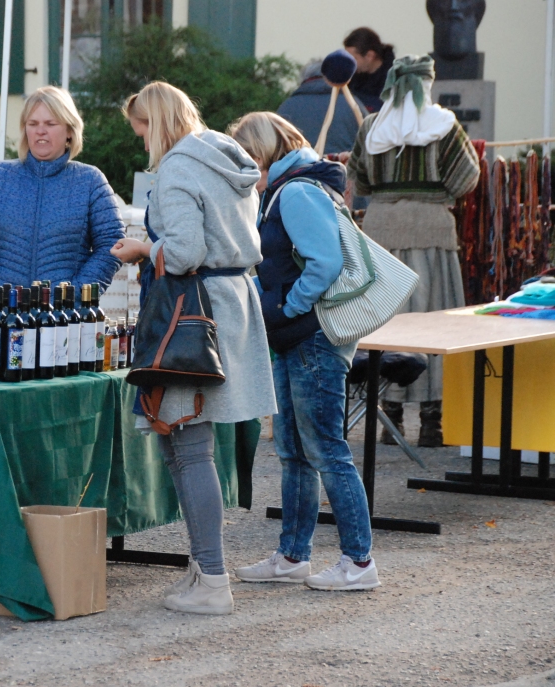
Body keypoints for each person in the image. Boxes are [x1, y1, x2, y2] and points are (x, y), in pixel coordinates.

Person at [111, 82, 276, 615]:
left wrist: (142, 247)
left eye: (140, 130)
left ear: (156, 123)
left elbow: (183, 252)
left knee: (188, 446)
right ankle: (203, 571)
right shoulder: (230, 159)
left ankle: (211, 579)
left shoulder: (180, 168)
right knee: (186, 444)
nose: (141, 142)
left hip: (193, 313)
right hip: (230, 303)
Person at [228, 111, 380, 591]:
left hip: (311, 337)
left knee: (325, 450)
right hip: (296, 338)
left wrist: (292, 308)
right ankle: (293, 555)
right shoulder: (289, 187)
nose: (245, 168)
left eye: (247, 156)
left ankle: (359, 562)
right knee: (295, 450)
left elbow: (326, 261)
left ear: (263, 151)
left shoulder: (294, 191)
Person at [347, 55, 480, 447]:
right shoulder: (445, 126)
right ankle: (431, 422)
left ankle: (389, 416)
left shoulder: (373, 127)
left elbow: (361, 180)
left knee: (384, 320)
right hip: (431, 230)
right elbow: (467, 178)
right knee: (433, 322)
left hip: (381, 231)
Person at [0, 86, 125, 292]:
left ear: (70, 132)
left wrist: (77, 294)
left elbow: (112, 244)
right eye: (33, 123)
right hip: (2, 314)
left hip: (64, 319)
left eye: (50, 123)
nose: (40, 131)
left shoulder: (90, 181)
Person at [277, 53, 367, 156]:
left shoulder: (287, 106)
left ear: (303, 78)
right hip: (345, 168)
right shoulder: (354, 104)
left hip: (303, 170)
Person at [344, 27, 396, 113]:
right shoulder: (350, 79)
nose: (349, 63)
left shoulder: (395, 81)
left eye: (354, 59)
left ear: (369, 56)